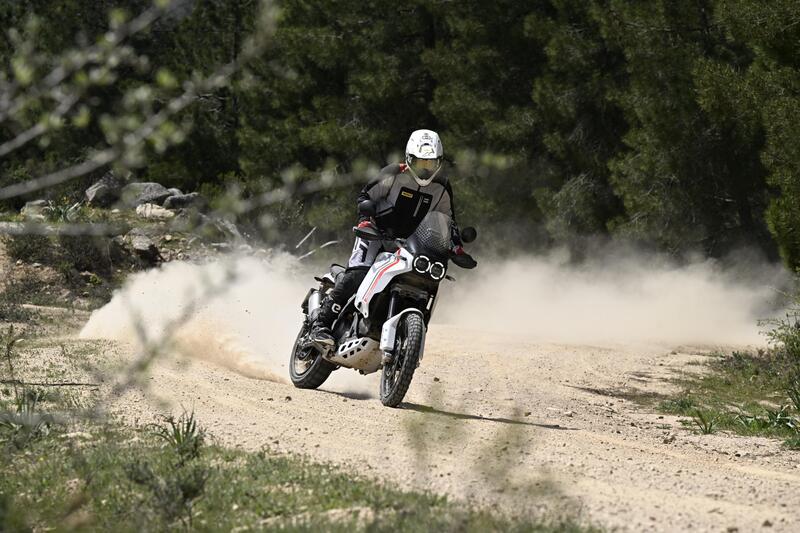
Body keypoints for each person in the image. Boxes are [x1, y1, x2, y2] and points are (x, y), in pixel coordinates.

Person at [310, 129, 466, 347]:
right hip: (375, 233)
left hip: (411, 245)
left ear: (438, 163)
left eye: (430, 164)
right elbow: (365, 196)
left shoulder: (441, 188)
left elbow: (447, 221)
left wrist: (455, 245)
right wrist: (365, 219)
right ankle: (321, 324)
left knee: (421, 281)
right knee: (358, 274)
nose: (424, 169)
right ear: (409, 158)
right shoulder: (394, 173)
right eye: (420, 162)